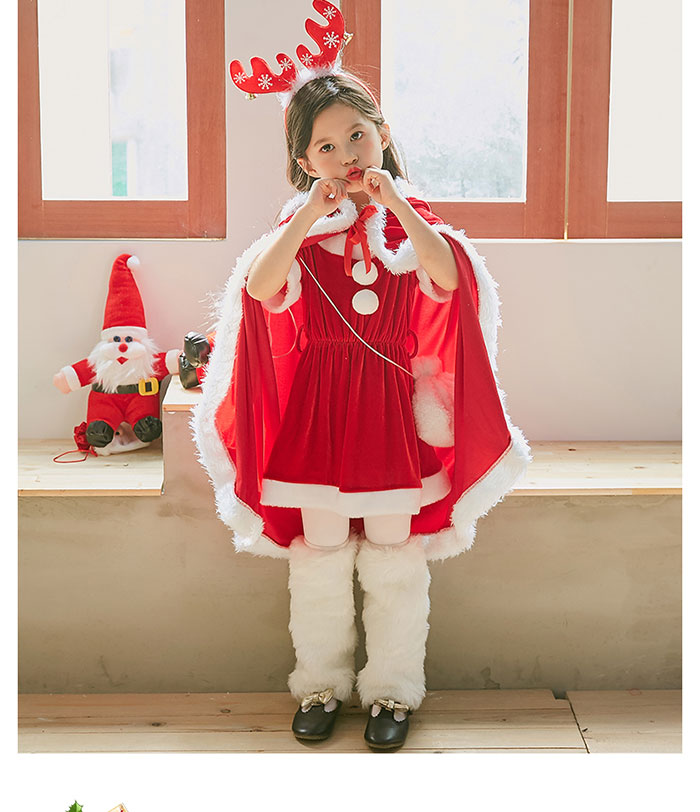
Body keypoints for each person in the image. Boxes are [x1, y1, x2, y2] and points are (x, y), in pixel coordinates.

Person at [192, 0, 531, 751]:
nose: (346, 153)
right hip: (319, 411)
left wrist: (395, 204)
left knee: (392, 549)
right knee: (318, 550)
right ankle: (319, 684)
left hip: (387, 412)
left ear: (382, 134)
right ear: (304, 162)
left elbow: (448, 276)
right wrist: (308, 215)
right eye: (325, 145)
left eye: (357, 135)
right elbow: (259, 288)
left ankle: (392, 691)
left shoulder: (412, 226)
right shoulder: (301, 235)